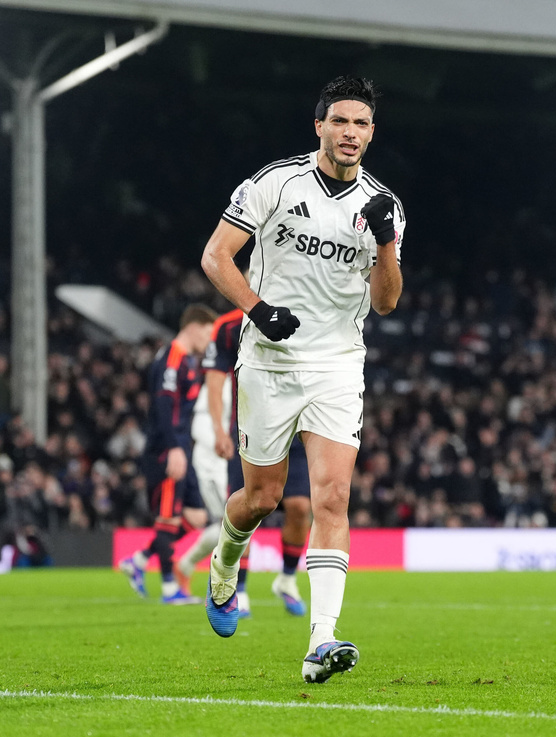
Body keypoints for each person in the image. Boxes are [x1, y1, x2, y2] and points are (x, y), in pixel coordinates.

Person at [200, 75, 404, 683]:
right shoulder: (274, 183)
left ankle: (323, 639)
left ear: (371, 133)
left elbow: (387, 302)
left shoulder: (383, 205)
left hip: (339, 364)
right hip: (268, 361)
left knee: (332, 498)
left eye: (361, 123)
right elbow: (216, 256)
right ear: (319, 126)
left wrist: (387, 242)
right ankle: (224, 564)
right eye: (340, 121)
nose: (350, 133)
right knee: (260, 498)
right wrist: (259, 310)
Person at [175, 306, 312, 618]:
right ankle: (240, 587)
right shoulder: (229, 325)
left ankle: (287, 580)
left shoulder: (306, 309)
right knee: (252, 506)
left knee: (301, 507)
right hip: (250, 431)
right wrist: (219, 429)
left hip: (297, 429)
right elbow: (213, 376)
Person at [120, 304, 217, 604]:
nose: (210, 340)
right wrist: (174, 448)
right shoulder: (172, 359)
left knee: (198, 517)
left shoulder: (186, 361)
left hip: (182, 447)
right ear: (194, 326)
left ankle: (139, 560)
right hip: (167, 450)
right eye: (208, 332)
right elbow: (164, 407)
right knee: (168, 518)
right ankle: (169, 589)